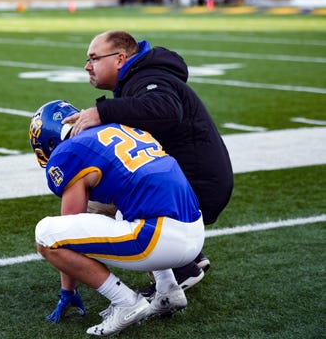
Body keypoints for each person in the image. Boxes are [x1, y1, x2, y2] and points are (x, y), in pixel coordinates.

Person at [63, 30, 233, 296]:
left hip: (197, 186)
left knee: (99, 208)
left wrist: (102, 112)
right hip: (199, 181)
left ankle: (177, 271)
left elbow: (164, 110)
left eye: (94, 58)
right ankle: (187, 257)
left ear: (120, 59)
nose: (87, 66)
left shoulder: (148, 78)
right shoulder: (140, 78)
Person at [29, 100, 205, 336]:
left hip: (159, 239)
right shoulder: (122, 129)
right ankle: (168, 289)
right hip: (194, 231)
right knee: (125, 205)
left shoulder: (67, 152)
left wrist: (67, 291)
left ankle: (126, 302)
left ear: (49, 140)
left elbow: (67, 229)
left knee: (46, 233)